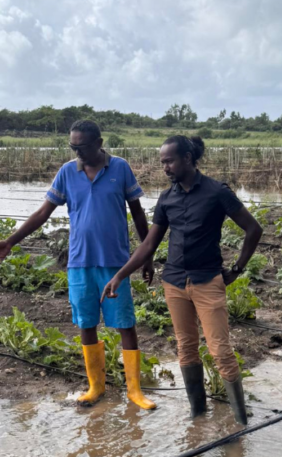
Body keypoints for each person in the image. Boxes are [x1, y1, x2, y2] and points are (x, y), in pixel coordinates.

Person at [0, 120, 156, 411]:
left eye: (83, 146)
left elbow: (138, 214)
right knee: (87, 323)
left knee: (125, 323)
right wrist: (11, 241)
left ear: (99, 142)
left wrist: (147, 254)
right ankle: (95, 387)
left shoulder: (120, 168)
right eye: (73, 147)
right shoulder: (67, 172)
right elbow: (43, 213)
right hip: (79, 262)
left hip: (116, 263)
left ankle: (135, 391)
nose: (78, 152)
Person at [101, 135, 263, 424]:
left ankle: (240, 424)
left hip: (207, 281)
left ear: (187, 159)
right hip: (174, 282)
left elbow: (253, 229)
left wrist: (236, 269)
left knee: (221, 351)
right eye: (162, 162)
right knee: (186, 348)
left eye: (169, 161)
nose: (165, 167)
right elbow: (149, 245)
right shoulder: (167, 198)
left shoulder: (217, 192)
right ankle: (197, 416)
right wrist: (119, 276)